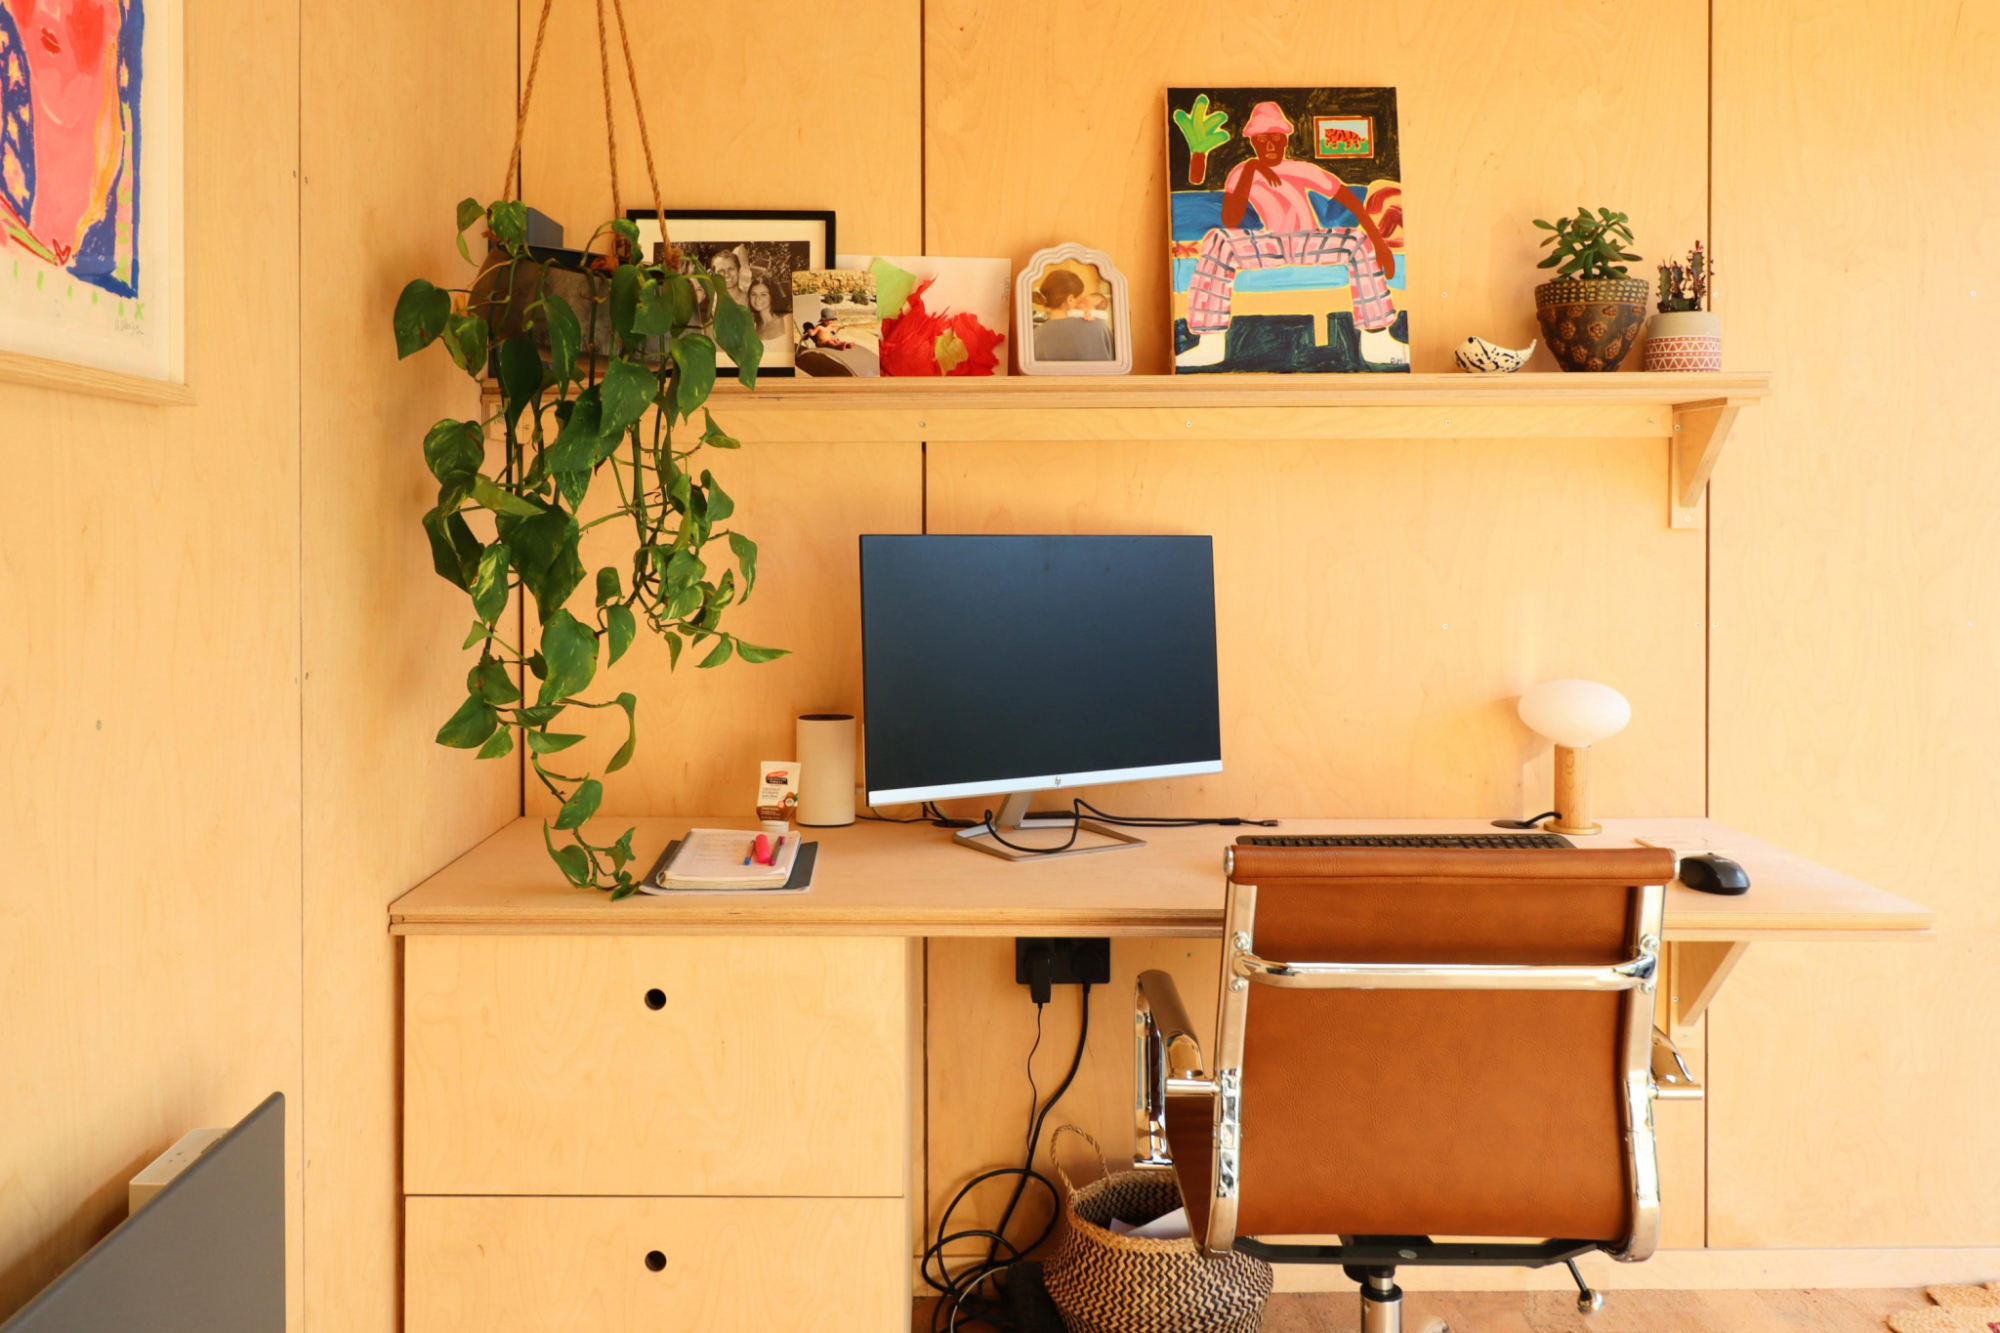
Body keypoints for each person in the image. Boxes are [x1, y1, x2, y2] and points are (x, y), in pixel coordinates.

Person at [1179, 101, 1406, 369]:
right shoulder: (1242, 172)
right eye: (1262, 139)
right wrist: (1251, 170)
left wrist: (1379, 244)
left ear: (1286, 139)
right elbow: (1230, 220)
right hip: (1270, 244)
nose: (1270, 145)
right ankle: (1210, 344)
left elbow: (1348, 199)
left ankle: (1377, 341)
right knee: (1218, 240)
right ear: (1253, 142)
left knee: (1356, 240)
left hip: (1308, 241)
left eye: (1276, 137)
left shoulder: (1300, 168)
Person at [1032, 269, 1115, 362]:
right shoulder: (1099, 327)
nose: (1081, 303)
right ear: (1070, 299)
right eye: (1080, 298)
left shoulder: (1035, 335)